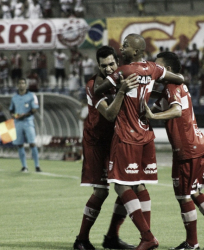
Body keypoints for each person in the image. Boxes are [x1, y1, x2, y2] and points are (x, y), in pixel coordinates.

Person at [94, 34, 185, 250]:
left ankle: (147, 237)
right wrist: (157, 84)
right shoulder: (154, 69)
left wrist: (118, 86)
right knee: (140, 185)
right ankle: (138, 238)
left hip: (127, 136)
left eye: (125, 46)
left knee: (120, 186)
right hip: (146, 135)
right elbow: (179, 79)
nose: (121, 48)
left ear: (135, 51)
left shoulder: (124, 72)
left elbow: (97, 89)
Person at [144, 51, 204, 250]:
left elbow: (176, 111)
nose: (155, 71)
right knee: (194, 192)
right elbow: (154, 108)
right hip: (195, 145)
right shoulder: (172, 87)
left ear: (169, 70)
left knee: (184, 195)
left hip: (188, 149)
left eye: (159, 67)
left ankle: (192, 243)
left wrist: (152, 116)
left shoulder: (172, 86)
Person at [74, 46, 138, 250]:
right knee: (101, 192)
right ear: (97, 66)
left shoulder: (122, 78)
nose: (109, 68)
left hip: (116, 141)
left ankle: (112, 236)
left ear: (117, 61)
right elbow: (109, 114)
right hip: (97, 143)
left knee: (128, 186)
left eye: (112, 64)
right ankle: (81, 240)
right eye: (104, 66)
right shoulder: (94, 85)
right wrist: (121, 91)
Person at [9, 78, 41, 172]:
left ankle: (37, 166)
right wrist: (13, 115)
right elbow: (11, 109)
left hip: (28, 121)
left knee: (32, 143)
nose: (21, 85)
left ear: (26, 85)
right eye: (20, 83)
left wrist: (24, 115)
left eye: (23, 83)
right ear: (17, 85)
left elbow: (35, 109)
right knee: (19, 144)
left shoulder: (32, 96)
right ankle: (24, 166)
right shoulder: (14, 97)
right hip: (17, 123)